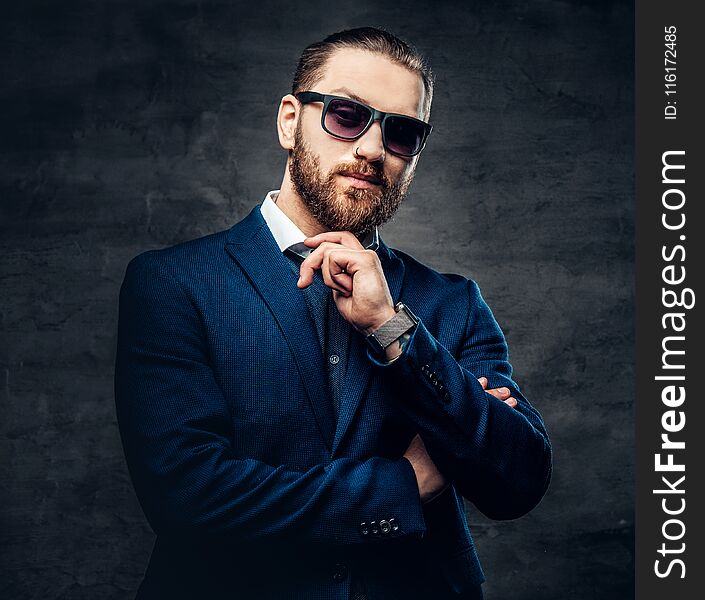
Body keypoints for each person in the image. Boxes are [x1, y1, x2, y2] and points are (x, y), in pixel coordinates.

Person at [115, 27, 552, 600]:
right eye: (346, 115)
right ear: (289, 121)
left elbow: (517, 480)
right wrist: (408, 483)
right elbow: (189, 496)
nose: (372, 148)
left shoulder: (451, 302)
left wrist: (391, 328)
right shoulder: (174, 283)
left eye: (401, 132)